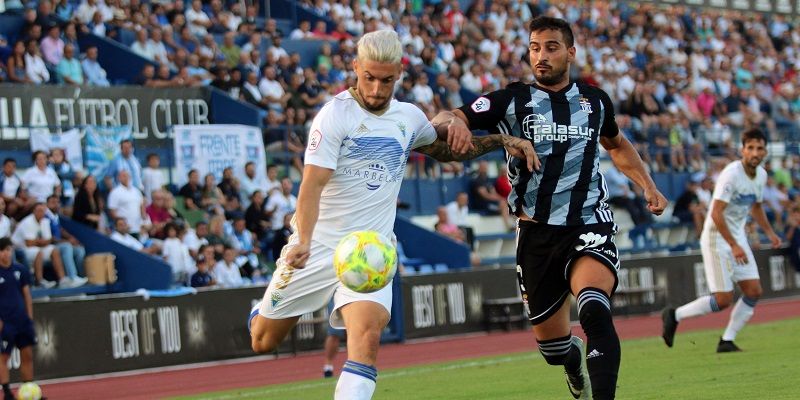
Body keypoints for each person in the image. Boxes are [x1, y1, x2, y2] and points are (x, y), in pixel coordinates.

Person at [248, 30, 534, 400]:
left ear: (398, 74)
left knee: (366, 337)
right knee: (263, 341)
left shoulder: (409, 117)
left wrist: (503, 141)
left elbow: (448, 152)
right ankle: (260, 311)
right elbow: (311, 186)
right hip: (318, 244)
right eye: (369, 77)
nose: (377, 88)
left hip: (371, 249)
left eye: (386, 80)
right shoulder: (333, 117)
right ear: (355, 68)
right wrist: (302, 240)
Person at [431, 17, 667, 400]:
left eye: (551, 47)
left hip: (588, 220)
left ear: (570, 53)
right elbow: (447, 117)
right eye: (535, 47)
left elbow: (618, 145)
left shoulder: (595, 101)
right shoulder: (512, 99)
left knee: (593, 309)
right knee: (554, 350)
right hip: (536, 233)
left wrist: (648, 185)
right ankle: (571, 357)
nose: (541, 55)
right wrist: (453, 124)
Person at [662, 128, 781, 353]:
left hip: (737, 238)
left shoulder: (762, 175)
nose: (755, 152)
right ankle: (674, 315)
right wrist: (734, 245)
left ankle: (727, 340)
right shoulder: (732, 174)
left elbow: (755, 206)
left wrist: (770, 232)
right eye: (751, 148)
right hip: (717, 237)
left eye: (760, 148)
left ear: (765, 151)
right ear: (742, 150)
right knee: (723, 299)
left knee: (754, 291)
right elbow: (716, 213)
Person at [0, 237, 41, 400]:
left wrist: (29, 316)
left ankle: (29, 388)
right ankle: (7, 392)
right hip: (5, 322)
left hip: (22, 320)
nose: (6, 254)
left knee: (27, 354)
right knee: (3, 357)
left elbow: (26, 294)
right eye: (3, 250)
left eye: (9, 250)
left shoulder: (20, 270)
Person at [10, 203, 72, 288]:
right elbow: (29, 243)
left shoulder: (45, 221)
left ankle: (62, 280)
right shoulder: (27, 222)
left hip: (36, 247)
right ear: (34, 211)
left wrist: (38, 242)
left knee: (53, 250)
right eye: (39, 211)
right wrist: (41, 242)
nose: (41, 213)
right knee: (38, 252)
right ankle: (39, 281)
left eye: (43, 211)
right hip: (21, 249)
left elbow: (48, 240)